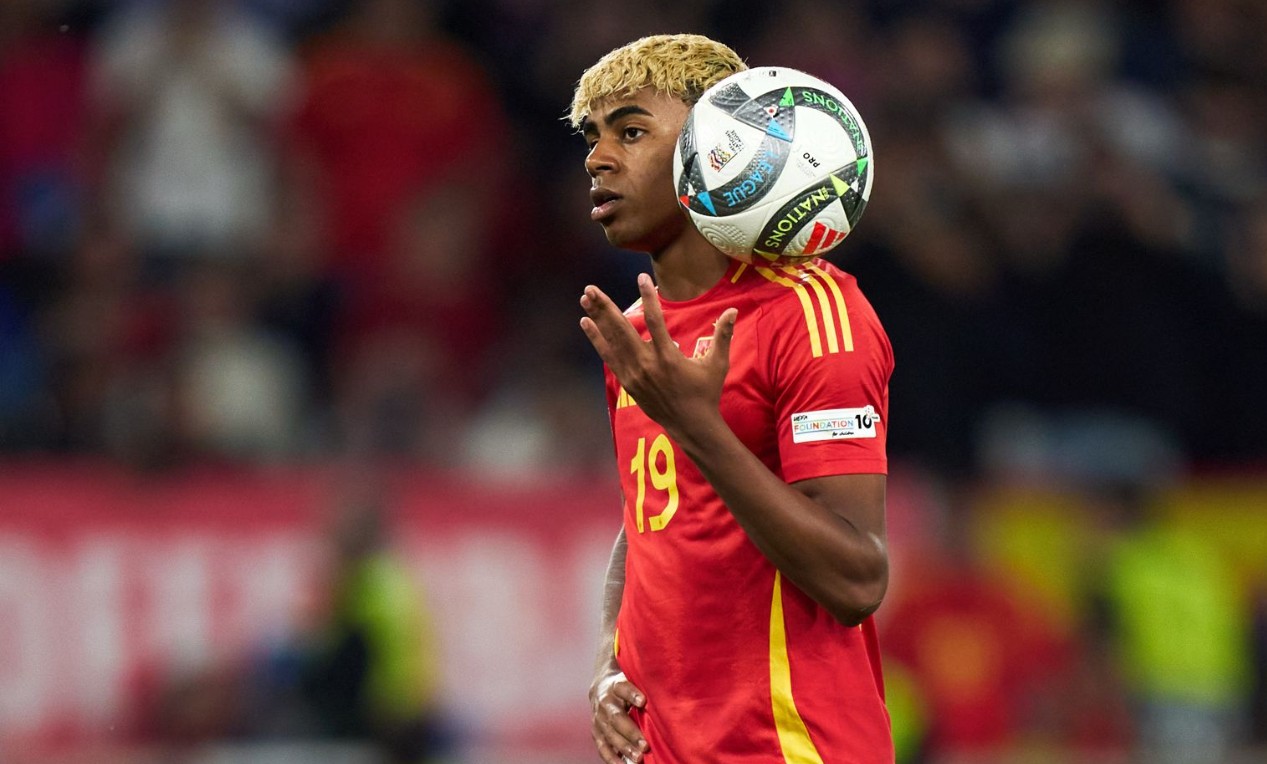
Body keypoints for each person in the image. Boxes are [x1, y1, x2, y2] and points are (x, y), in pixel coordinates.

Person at [570, 34, 895, 763]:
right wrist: (607, 658)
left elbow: (857, 578)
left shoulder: (813, 314)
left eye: (630, 131)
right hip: (663, 748)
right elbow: (650, 514)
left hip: (788, 744)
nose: (597, 159)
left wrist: (697, 427)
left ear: (716, 147)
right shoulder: (638, 329)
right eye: (592, 138)